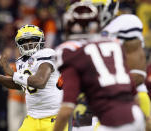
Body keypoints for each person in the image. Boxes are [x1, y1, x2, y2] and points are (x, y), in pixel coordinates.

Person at [53, 1, 145, 131]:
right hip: (98, 105)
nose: (85, 17)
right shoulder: (109, 43)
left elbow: (138, 76)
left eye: (95, 9)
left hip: (117, 104)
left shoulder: (124, 25)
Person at [0, 24, 68, 131]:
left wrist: (13, 73)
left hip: (53, 117)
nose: (29, 44)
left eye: (32, 40)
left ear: (40, 40)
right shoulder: (21, 62)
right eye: (25, 41)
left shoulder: (47, 54)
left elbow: (40, 82)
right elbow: (20, 84)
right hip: (32, 118)